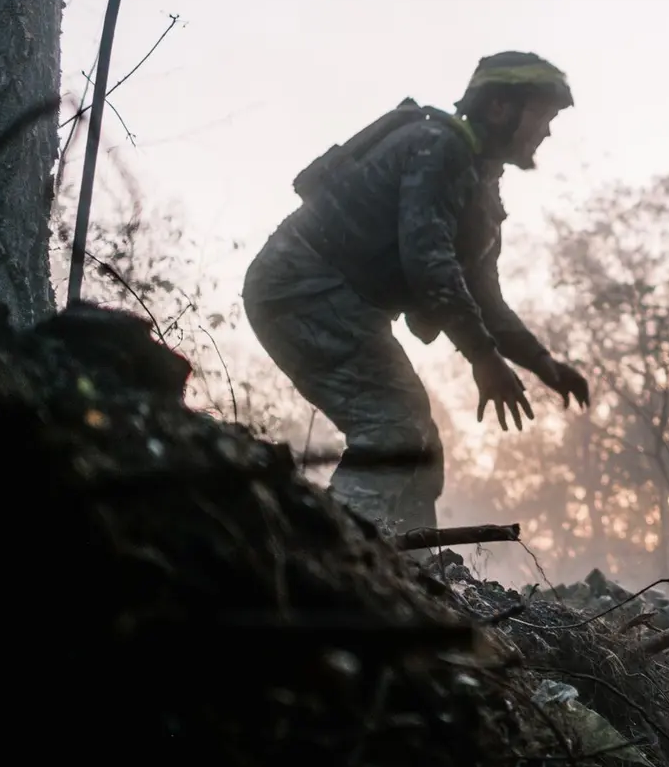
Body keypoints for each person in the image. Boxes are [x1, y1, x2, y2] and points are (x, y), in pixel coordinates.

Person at [242, 51, 590, 536]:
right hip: (302, 287)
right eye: (543, 116)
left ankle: (405, 571)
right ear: (500, 109)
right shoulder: (437, 147)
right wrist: (483, 359)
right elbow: (428, 262)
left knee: (420, 448)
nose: (547, 131)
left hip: (337, 302)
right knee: (393, 429)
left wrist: (542, 363)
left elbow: (482, 298)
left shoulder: (479, 192)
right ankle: (330, 551)